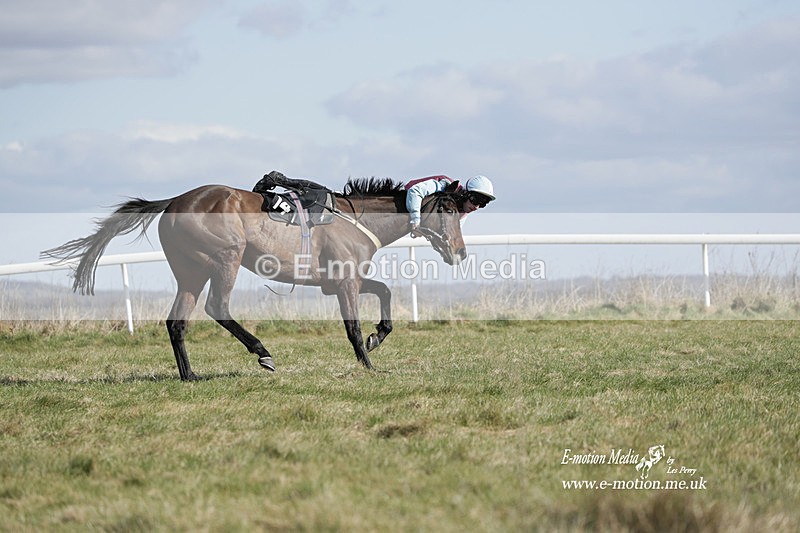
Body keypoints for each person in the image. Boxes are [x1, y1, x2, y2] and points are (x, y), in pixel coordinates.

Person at [405, 174, 495, 236]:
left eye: (482, 204)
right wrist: (416, 221)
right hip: (403, 199)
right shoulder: (445, 185)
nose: (477, 207)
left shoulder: (463, 213)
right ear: (466, 193)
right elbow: (414, 191)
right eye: (476, 200)